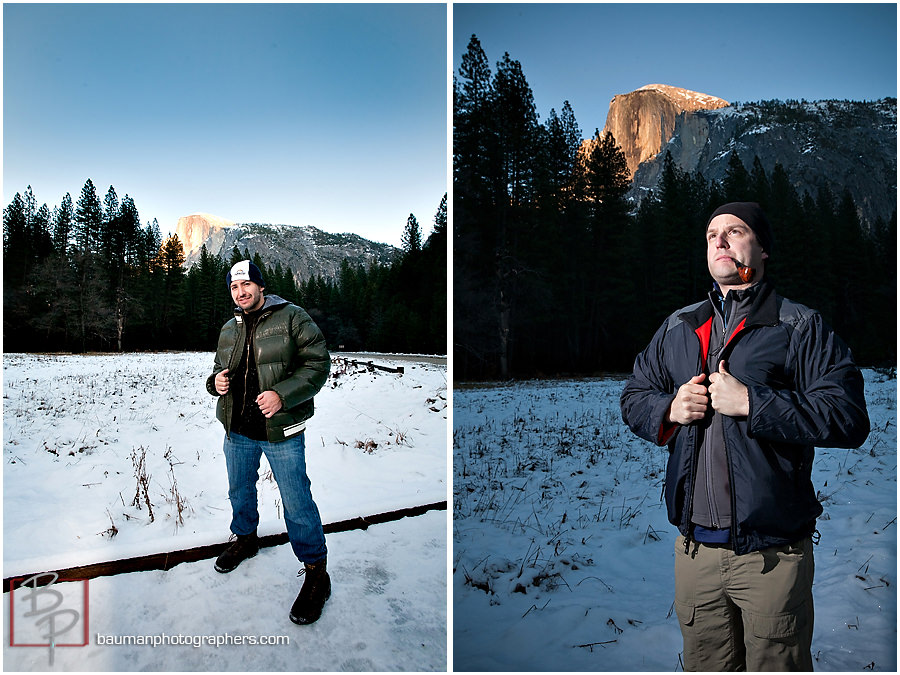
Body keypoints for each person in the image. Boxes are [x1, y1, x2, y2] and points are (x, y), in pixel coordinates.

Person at [620, 202, 869, 671]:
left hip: (771, 556)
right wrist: (668, 408)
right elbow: (634, 396)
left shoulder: (799, 326)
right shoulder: (680, 325)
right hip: (694, 554)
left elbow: (848, 417)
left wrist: (755, 403)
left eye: (735, 231)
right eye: (712, 234)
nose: (720, 240)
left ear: (763, 248)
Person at [206, 259, 332, 625]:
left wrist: (282, 394)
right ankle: (245, 539)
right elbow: (216, 371)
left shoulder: (292, 317)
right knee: (240, 490)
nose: (241, 292)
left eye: (246, 285)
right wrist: (215, 383)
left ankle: (316, 573)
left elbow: (317, 363)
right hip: (238, 429)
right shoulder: (230, 328)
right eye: (233, 287)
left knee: (296, 499)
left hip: (280, 430)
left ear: (261, 286)